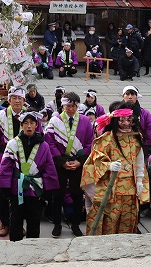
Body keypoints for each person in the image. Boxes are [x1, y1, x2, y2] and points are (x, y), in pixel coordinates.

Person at [81, 103, 149, 235]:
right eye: (122, 120)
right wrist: (108, 165)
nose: (126, 124)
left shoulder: (137, 138)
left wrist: (140, 180)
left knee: (128, 220)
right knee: (110, 221)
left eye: (129, 120)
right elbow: (95, 159)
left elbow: (140, 162)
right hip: (111, 188)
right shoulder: (106, 139)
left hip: (131, 187)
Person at [0, 111, 58, 242]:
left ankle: (33, 247)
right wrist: (4, 188)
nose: (29, 126)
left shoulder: (44, 145)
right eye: (26, 123)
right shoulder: (13, 144)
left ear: (37, 125)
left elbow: (49, 168)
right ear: (21, 125)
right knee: (15, 219)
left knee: (34, 220)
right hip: (16, 187)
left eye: (32, 123)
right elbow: (5, 167)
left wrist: (49, 190)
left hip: (35, 189)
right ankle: (15, 246)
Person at [45, 91, 93, 237]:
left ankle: (76, 224)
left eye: (73, 106)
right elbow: (50, 142)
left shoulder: (85, 121)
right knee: (57, 195)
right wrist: (61, 162)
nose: (71, 109)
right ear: (62, 105)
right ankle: (57, 224)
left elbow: (90, 143)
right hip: (60, 164)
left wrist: (79, 161)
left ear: (77, 106)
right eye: (68, 106)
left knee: (77, 195)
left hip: (77, 164)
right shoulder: (54, 121)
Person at [0, 87, 28, 236]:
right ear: (8, 100)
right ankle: (5, 222)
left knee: (21, 193)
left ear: (24, 101)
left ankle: (18, 224)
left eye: (20, 98)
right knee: (2, 193)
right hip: (5, 159)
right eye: (14, 98)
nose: (17, 101)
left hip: (24, 160)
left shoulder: (28, 116)